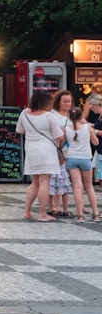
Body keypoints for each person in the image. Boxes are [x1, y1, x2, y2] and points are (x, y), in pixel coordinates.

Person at [17, 90, 64, 221]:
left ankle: (27, 211)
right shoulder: (49, 116)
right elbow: (59, 135)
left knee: (35, 182)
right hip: (47, 151)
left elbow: (20, 130)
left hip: (31, 150)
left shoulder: (24, 114)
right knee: (45, 181)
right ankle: (42, 213)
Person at [64, 105, 99, 222]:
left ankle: (80, 215)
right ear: (81, 116)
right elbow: (96, 142)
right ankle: (95, 213)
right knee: (89, 187)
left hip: (72, 158)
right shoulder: (87, 128)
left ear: (69, 117)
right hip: (85, 158)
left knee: (77, 187)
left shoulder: (66, 129)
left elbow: (61, 143)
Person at [49, 90, 74, 217]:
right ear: (58, 102)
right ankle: (54, 206)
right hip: (57, 151)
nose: (67, 104)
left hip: (71, 151)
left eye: (69, 101)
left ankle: (65, 206)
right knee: (56, 179)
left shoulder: (73, 115)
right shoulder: (52, 115)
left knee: (67, 180)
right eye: (64, 101)